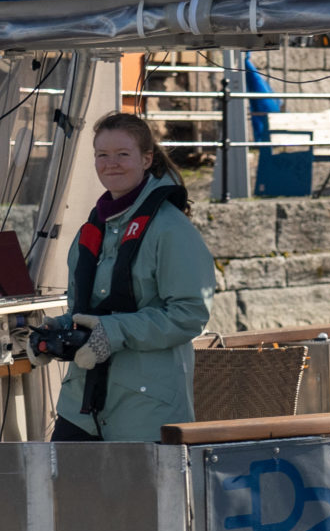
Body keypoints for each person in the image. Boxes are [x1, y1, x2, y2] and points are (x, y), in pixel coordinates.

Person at [47, 113, 219, 442]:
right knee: (62, 478)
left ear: (146, 159)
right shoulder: (91, 229)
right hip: (80, 407)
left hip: (146, 410)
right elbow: (86, 311)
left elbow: (190, 314)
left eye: (122, 154)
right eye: (102, 155)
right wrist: (58, 331)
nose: (111, 163)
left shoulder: (171, 229)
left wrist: (114, 331)